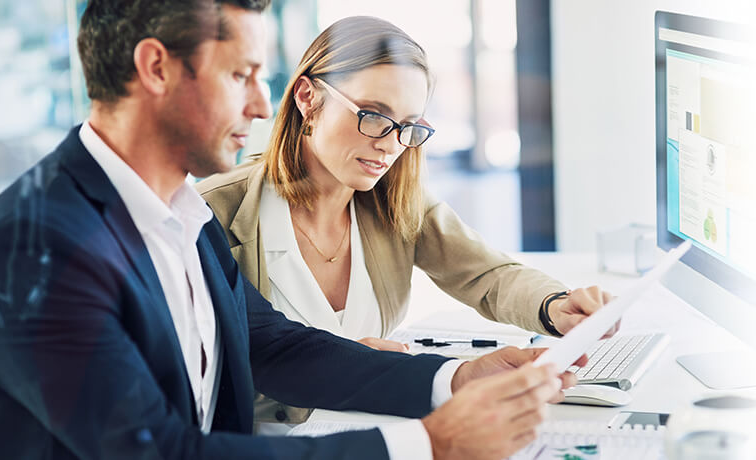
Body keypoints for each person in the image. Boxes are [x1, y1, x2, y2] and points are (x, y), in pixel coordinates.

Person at [0, 1, 587, 459]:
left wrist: (454, 377)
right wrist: (425, 445)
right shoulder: (34, 245)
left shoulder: (177, 215)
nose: (260, 104)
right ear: (156, 69)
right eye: (240, 75)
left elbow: (273, 346)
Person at [197, 16, 614, 425]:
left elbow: (488, 276)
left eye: (408, 126)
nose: (390, 144)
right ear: (307, 97)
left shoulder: (393, 201)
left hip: (379, 435)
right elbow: (202, 374)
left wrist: (554, 305)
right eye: (373, 115)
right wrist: (343, 370)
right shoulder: (211, 214)